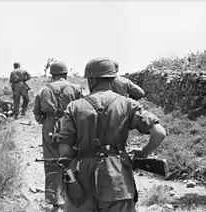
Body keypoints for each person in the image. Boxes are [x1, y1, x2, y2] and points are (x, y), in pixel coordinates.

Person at [56, 58, 166, 212]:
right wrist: (144, 152)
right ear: (112, 79)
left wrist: (79, 155)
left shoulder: (74, 107)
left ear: (91, 80)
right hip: (118, 179)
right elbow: (159, 133)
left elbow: (64, 151)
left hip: (82, 180)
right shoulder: (127, 104)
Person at [33, 61, 84, 212]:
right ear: (66, 73)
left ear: (52, 74)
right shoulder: (76, 88)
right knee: (74, 160)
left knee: (51, 162)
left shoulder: (43, 90)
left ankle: (56, 202)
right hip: (71, 125)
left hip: (49, 125)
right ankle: (75, 198)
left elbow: (37, 115)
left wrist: (48, 122)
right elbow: (85, 109)